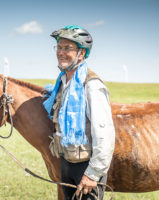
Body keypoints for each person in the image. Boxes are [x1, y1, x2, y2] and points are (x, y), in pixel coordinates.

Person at [43, 25, 115, 200]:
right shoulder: (62, 82)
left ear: (81, 53)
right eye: (59, 47)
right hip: (67, 163)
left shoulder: (91, 85)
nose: (61, 52)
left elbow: (104, 133)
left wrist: (93, 174)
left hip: (86, 167)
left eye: (68, 48)